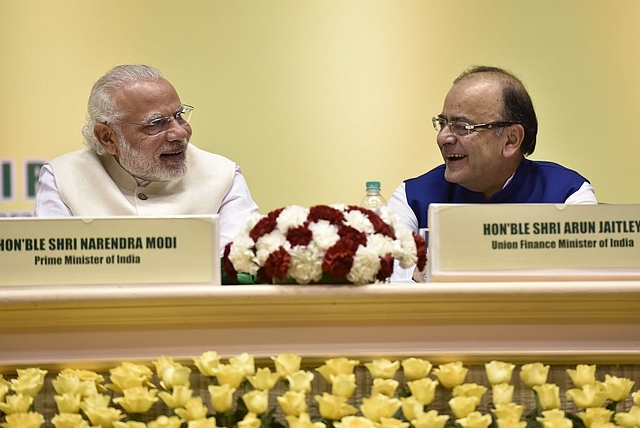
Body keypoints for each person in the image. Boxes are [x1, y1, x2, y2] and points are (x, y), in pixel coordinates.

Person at [388, 65, 597, 282]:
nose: (443, 138)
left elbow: (588, 277)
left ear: (511, 140)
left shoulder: (567, 194)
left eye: (463, 127)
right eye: (443, 124)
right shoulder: (412, 197)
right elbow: (383, 273)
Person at [34, 64, 259, 255]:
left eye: (179, 116)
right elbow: (52, 270)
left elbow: (235, 266)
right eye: (156, 123)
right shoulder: (62, 178)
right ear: (107, 137)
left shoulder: (223, 176)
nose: (180, 133)